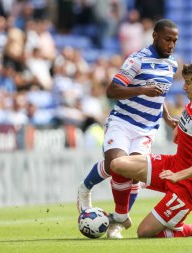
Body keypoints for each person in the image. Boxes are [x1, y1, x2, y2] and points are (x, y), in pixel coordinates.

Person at [77, 19, 179, 237]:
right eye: (167, 39)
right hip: (123, 122)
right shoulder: (137, 59)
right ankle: (85, 188)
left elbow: (160, 97)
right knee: (116, 164)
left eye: (174, 41)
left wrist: (168, 118)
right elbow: (112, 90)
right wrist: (142, 89)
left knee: (132, 174)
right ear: (155, 36)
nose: (171, 45)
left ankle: (119, 220)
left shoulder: (172, 65)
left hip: (147, 128)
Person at [110, 60, 192, 238]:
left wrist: (179, 176)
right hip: (173, 164)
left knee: (144, 232)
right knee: (117, 164)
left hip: (189, 185)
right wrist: (178, 127)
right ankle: (121, 216)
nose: (184, 87)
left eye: (188, 83)